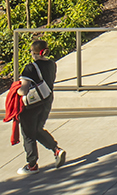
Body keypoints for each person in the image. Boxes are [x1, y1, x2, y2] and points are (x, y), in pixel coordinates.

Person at [15, 38, 64, 173]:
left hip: (32, 105)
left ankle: (32, 165)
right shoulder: (52, 64)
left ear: (35, 53)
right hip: (46, 101)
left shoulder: (30, 68)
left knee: (28, 134)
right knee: (37, 129)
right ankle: (56, 150)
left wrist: (17, 89)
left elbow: (23, 91)